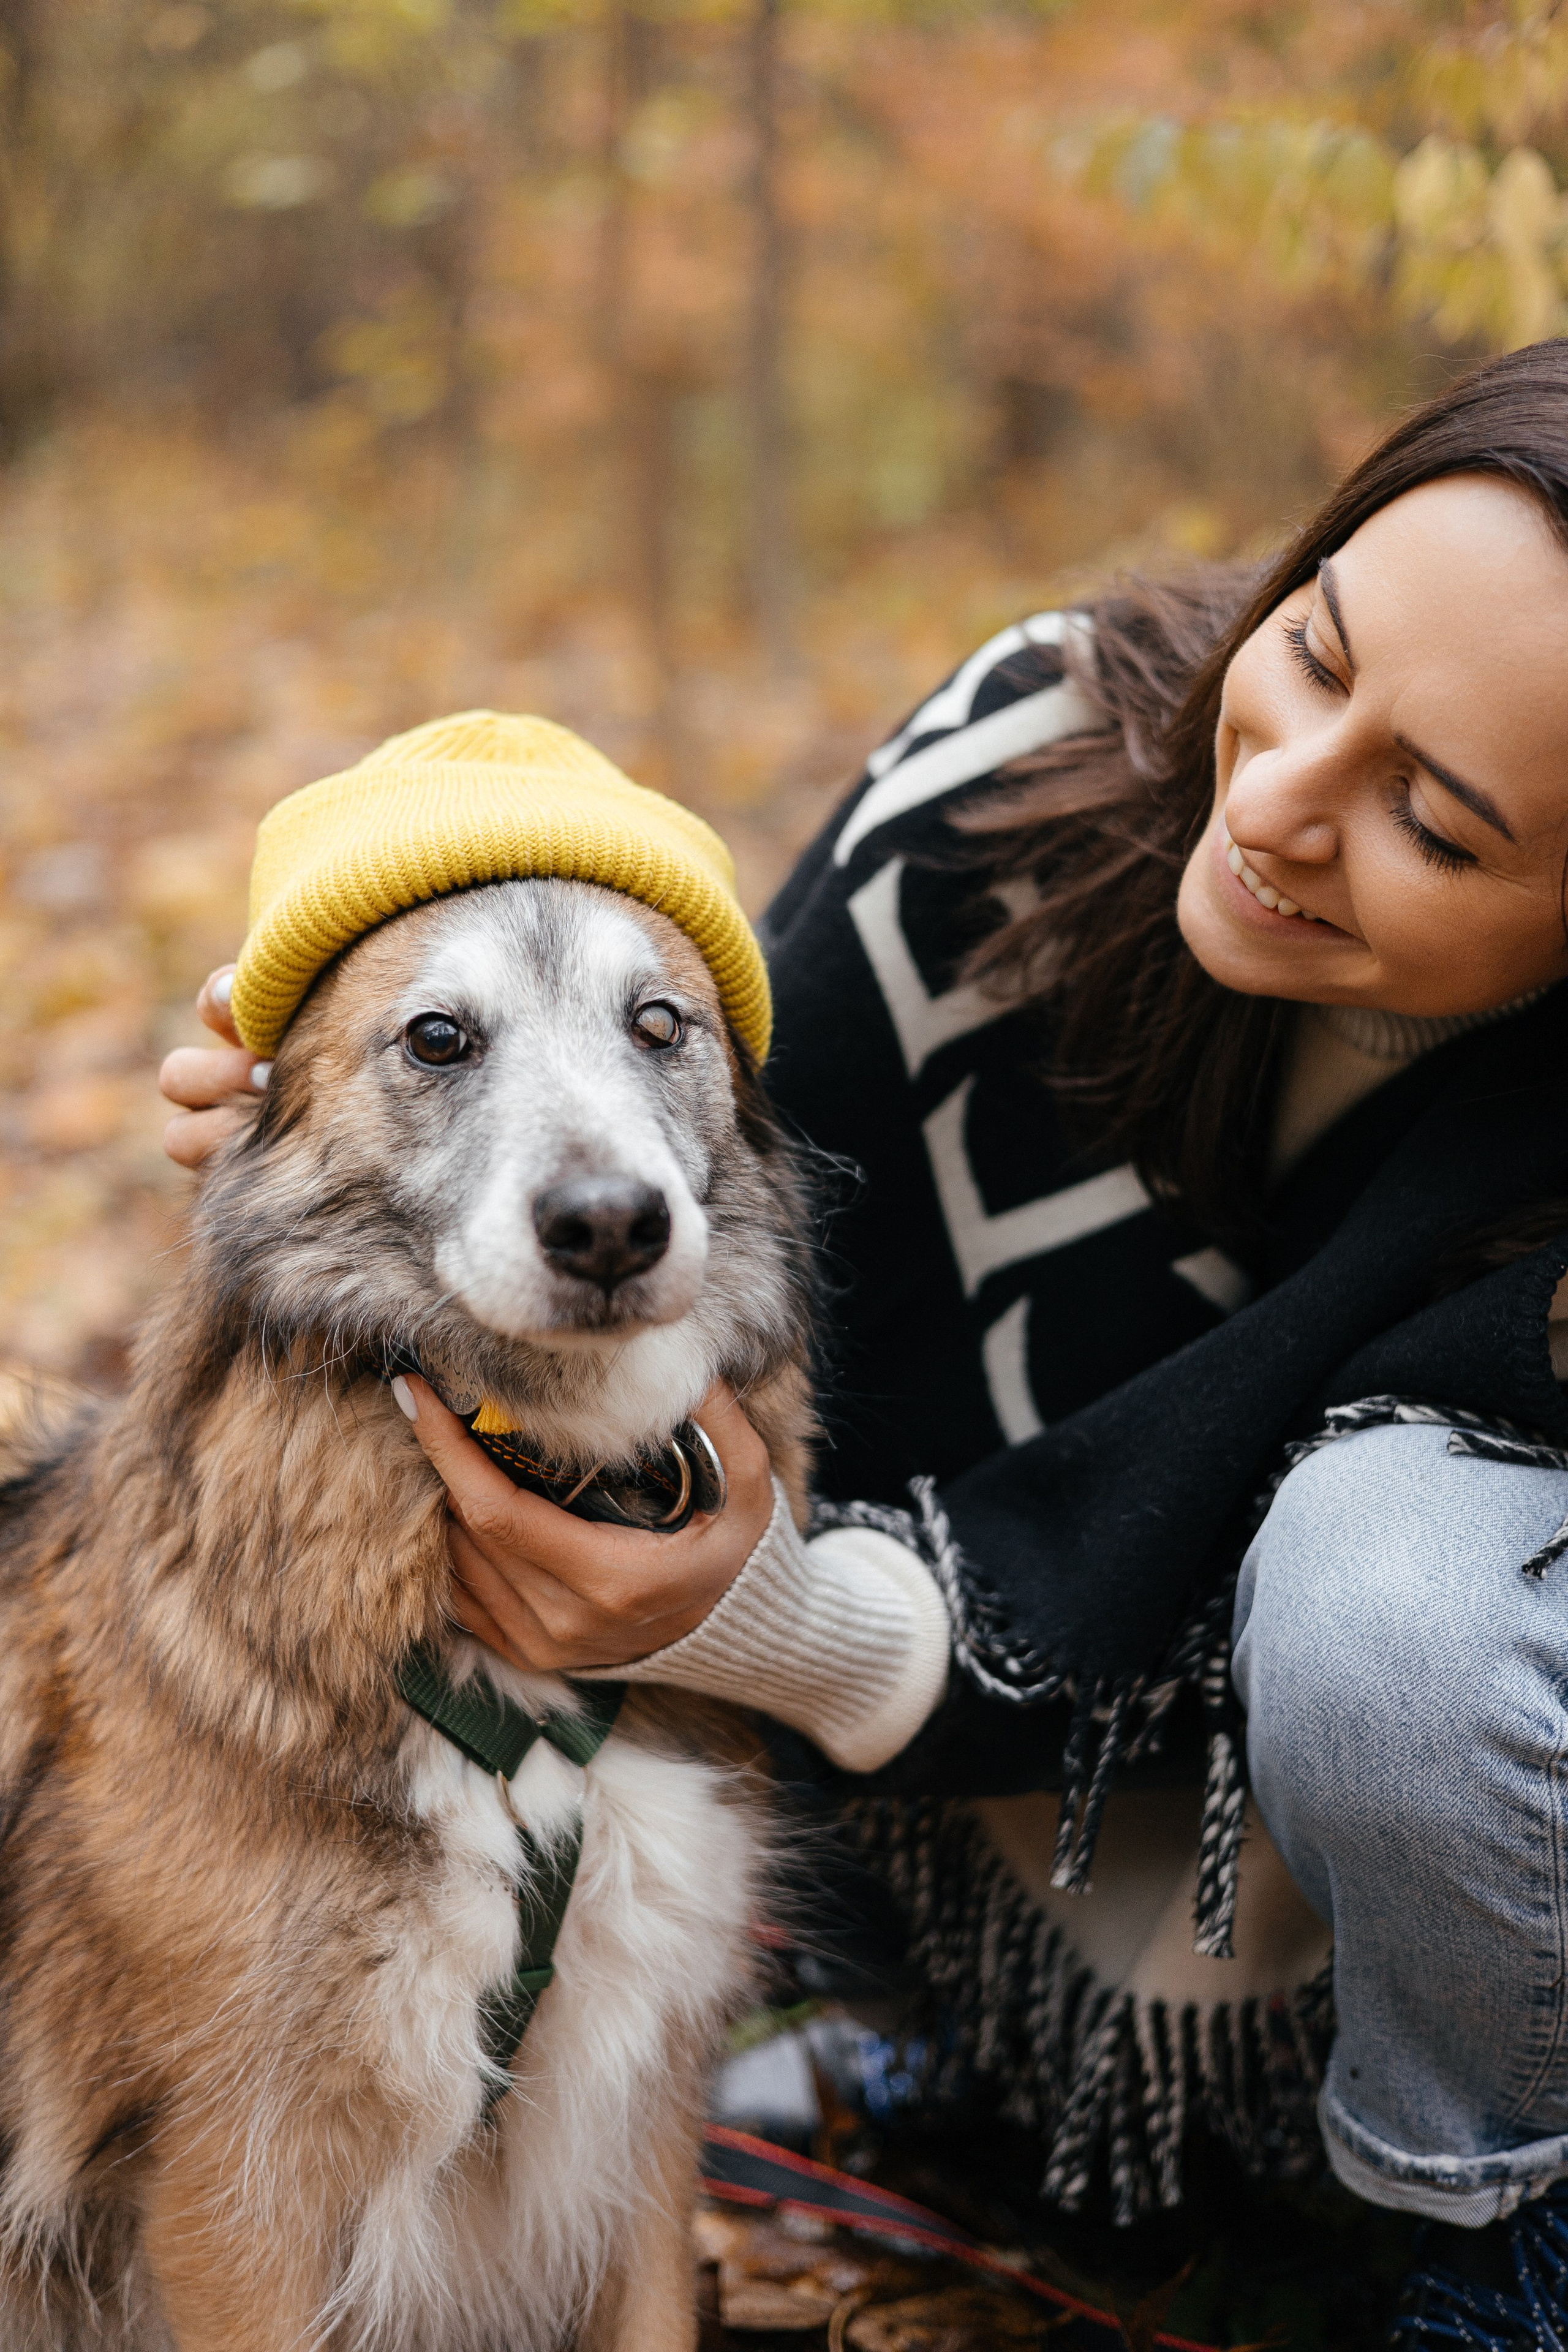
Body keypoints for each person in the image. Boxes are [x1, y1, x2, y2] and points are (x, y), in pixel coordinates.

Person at [162, 340, 1568, 2346]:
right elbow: (699, 1134)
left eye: (1433, 820)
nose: (1270, 802)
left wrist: (784, 1624)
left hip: (1473, 1853)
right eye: (1320, 653)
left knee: (1393, 1595)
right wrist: (354, 1049)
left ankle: (1495, 2232)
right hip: (1021, 1804)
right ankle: (988, 2069)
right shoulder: (1038, 749)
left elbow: (1261, 1589)